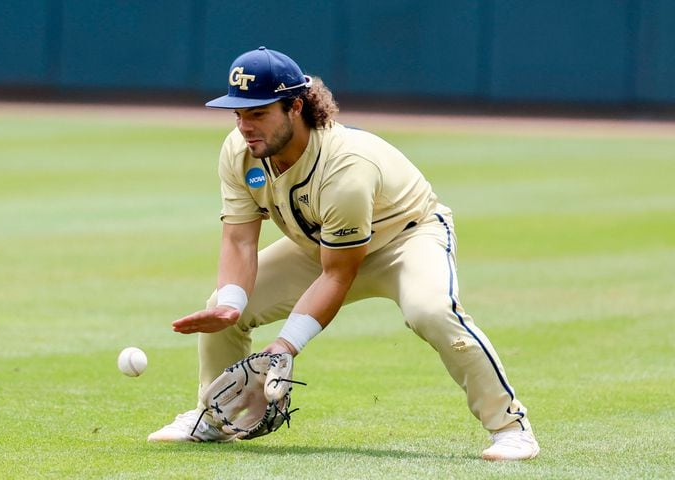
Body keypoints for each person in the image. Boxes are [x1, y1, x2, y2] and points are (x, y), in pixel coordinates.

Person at [147, 46, 540, 461]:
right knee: (222, 308)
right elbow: (240, 239)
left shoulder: (345, 168)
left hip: (405, 240)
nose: (245, 125)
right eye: (238, 113)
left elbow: (338, 273)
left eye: (258, 112)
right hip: (318, 246)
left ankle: (512, 429)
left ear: (295, 106)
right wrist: (231, 303)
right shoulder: (240, 151)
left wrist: (284, 346)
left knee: (432, 311)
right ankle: (213, 418)